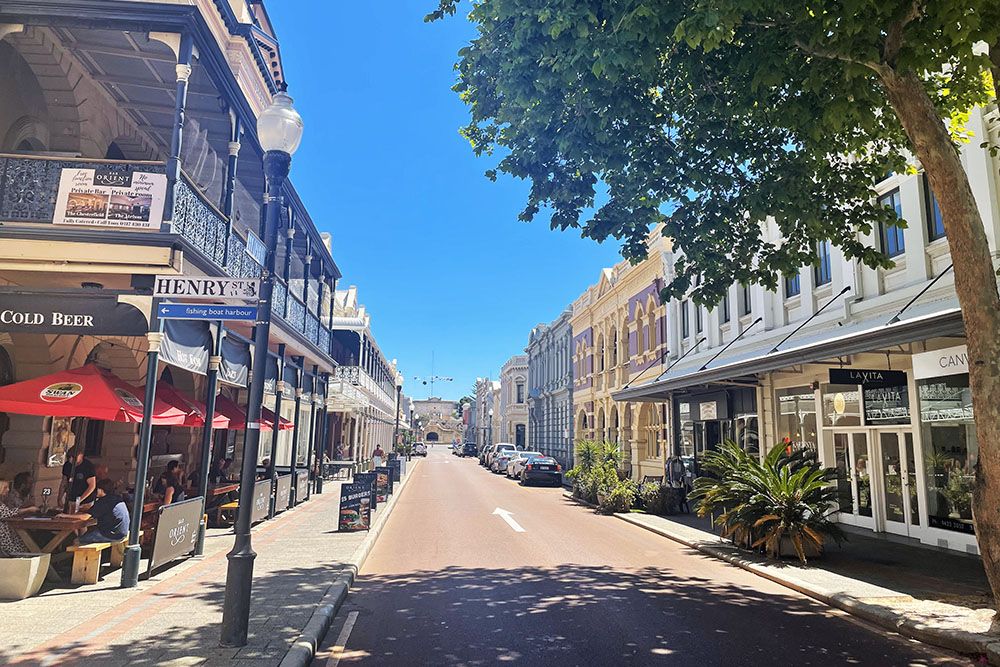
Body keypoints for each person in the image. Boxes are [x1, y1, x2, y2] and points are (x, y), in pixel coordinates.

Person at [77, 478, 129, 545]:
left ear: (100, 490)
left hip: (111, 535)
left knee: (78, 540)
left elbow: (84, 517)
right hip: (122, 532)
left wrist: (66, 515)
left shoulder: (103, 502)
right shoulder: (116, 498)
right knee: (89, 533)